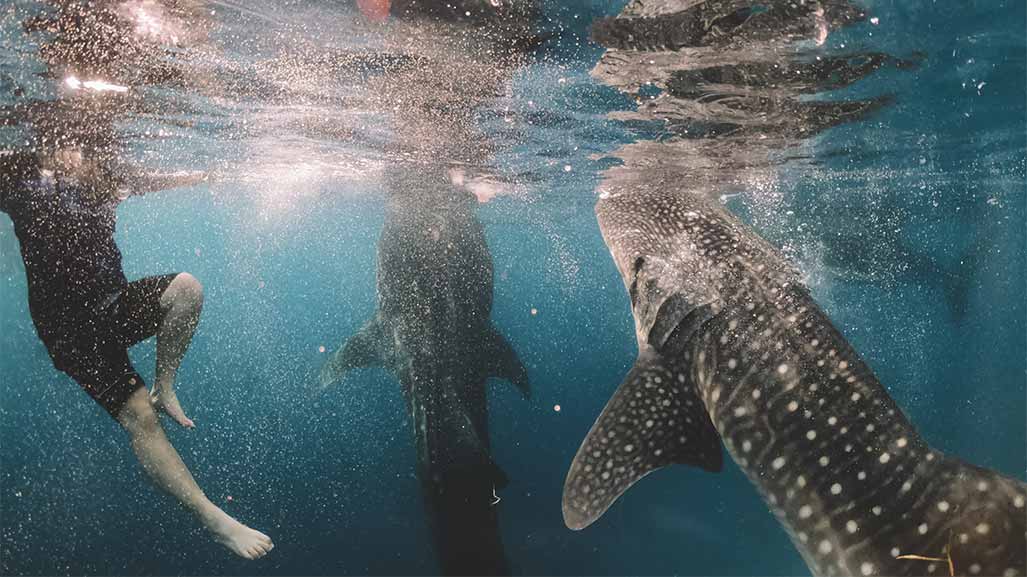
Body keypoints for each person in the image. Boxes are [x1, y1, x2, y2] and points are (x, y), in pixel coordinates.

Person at [0, 148, 274, 560]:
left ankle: (165, 386)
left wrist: (204, 173)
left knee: (186, 289)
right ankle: (213, 518)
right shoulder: (16, 170)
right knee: (139, 419)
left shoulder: (107, 168)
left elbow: (154, 177)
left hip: (113, 305)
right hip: (69, 331)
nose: (78, 158)